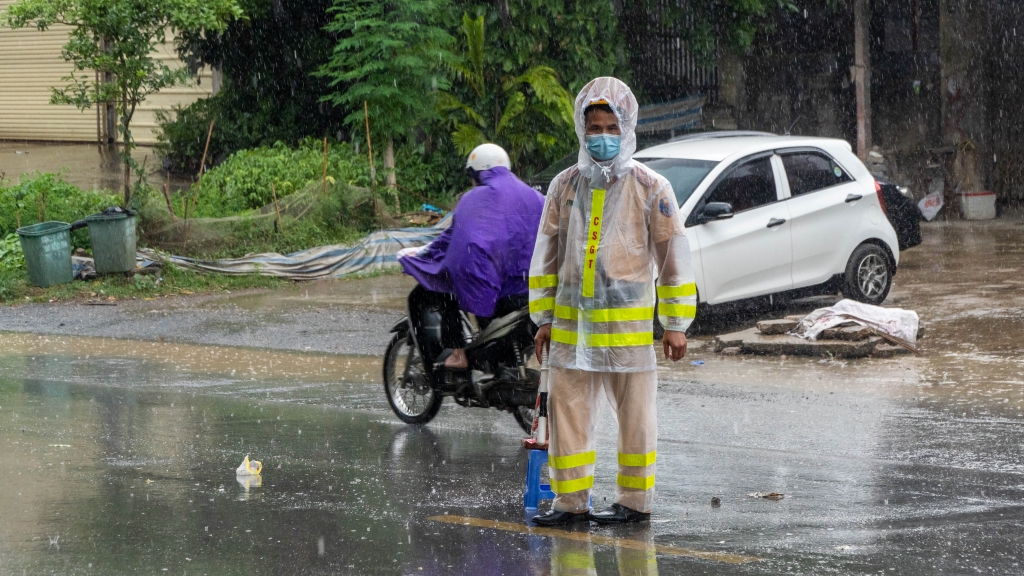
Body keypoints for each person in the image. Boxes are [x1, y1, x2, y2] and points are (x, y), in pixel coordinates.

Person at [528, 77, 696, 526]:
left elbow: (674, 258)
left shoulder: (651, 187)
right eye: (594, 127)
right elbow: (546, 257)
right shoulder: (564, 187)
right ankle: (570, 504)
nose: (602, 136)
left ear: (627, 129)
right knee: (569, 418)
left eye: (610, 127)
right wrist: (543, 318)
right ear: (582, 132)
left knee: (636, 419)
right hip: (572, 332)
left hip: (628, 333)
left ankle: (634, 502)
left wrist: (676, 323)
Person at [398, 143, 544, 369]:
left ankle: (458, 353)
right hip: (533, 289)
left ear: (477, 172)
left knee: (445, 286)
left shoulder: (475, 198)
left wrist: (420, 257)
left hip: (500, 291)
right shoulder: (535, 197)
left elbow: (455, 244)